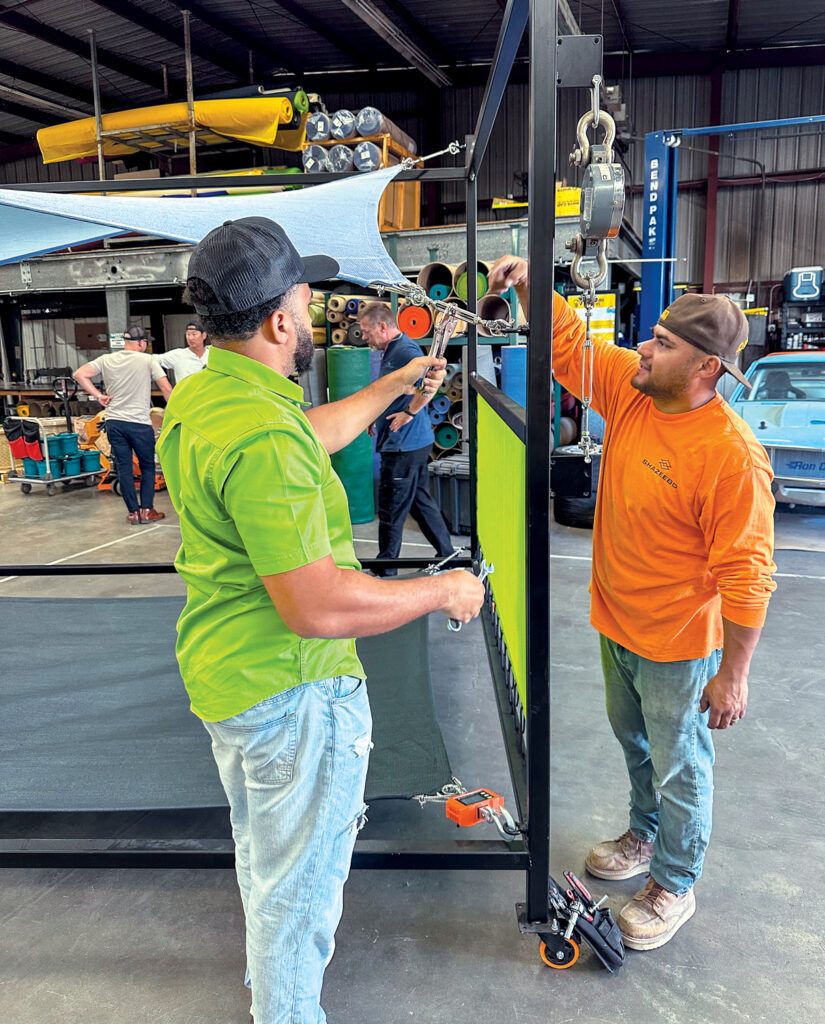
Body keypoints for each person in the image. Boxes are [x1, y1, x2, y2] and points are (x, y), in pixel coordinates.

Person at [155, 216, 484, 1024]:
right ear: (277, 322)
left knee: (273, 866)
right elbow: (318, 605)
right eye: (307, 303)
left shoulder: (211, 397)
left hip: (232, 676)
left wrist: (391, 389)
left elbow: (305, 436)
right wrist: (442, 592)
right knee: (299, 895)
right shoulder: (262, 432)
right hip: (291, 694)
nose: (315, 318)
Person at [487, 255, 777, 951]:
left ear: (706, 367)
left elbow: (746, 576)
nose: (643, 350)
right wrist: (532, 283)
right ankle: (643, 838)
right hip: (614, 620)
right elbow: (568, 350)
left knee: (680, 763)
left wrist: (731, 674)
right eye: (650, 337)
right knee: (636, 742)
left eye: (664, 345)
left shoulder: (729, 457)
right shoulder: (631, 390)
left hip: (678, 642)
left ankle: (674, 883)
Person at [358, 302, 455, 576]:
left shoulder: (407, 351)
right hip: (406, 442)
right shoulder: (391, 351)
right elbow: (390, 391)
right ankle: (447, 554)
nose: (364, 338)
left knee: (391, 508)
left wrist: (409, 413)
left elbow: (431, 382)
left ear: (382, 327)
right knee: (418, 500)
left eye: (367, 332)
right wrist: (374, 416)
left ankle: (384, 570)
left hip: (404, 445)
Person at [74, 325, 172, 525]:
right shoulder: (147, 360)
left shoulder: (106, 359)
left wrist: (99, 396)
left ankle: (133, 513)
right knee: (146, 467)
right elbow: (166, 387)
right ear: (142, 343)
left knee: (124, 468)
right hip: (138, 423)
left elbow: (79, 374)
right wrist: (176, 413)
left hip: (115, 422)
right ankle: (147, 510)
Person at [157, 318, 210, 384]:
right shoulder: (178, 355)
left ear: (204, 335)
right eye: (188, 334)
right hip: (187, 394)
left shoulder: (212, 354)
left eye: (194, 334)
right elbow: (152, 360)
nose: (190, 338)